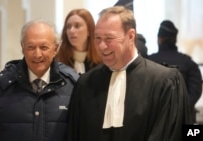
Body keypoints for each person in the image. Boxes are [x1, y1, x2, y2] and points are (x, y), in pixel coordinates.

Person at [67, 6, 193, 141]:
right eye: (97, 38)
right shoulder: (85, 84)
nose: (102, 46)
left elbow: (174, 134)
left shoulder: (165, 82)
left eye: (109, 38)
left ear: (131, 36)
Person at [0, 19, 79, 141]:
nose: (37, 54)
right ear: (22, 48)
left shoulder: (73, 87)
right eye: (31, 47)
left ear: (55, 48)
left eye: (44, 47)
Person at [148, 20, 202, 122]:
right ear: (175, 39)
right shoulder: (189, 63)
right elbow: (195, 91)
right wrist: (181, 108)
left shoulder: (148, 62)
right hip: (183, 120)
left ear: (159, 39)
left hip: (155, 123)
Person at [56, 8, 101, 74]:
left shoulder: (101, 63)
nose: (71, 31)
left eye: (77, 26)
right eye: (68, 27)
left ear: (89, 30)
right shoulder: (58, 61)